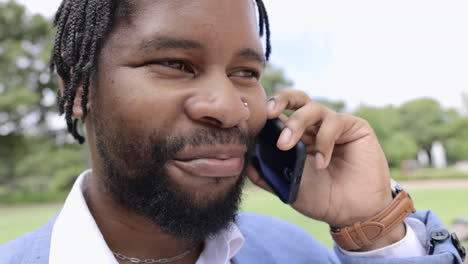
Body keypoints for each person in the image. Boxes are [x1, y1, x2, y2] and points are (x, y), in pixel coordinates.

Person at [0, 0, 465, 263]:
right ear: (80, 89)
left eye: (245, 72)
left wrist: (375, 230)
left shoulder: (299, 255)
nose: (229, 108)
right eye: (174, 64)